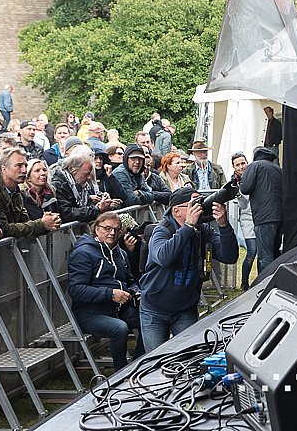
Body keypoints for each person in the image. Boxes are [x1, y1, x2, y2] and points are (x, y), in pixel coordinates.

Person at [139, 187, 238, 350]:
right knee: (155, 359)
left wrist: (223, 224)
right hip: (155, 310)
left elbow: (230, 257)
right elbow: (164, 257)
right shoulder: (162, 231)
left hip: (185, 308)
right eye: (194, 204)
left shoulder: (203, 232)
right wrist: (188, 226)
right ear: (176, 211)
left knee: (187, 357)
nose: (200, 207)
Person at [68, 212, 145, 370]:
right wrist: (110, 294)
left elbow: (130, 280)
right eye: (107, 228)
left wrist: (136, 292)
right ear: (96, 229)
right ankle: (121, 371)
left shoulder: (120, 253)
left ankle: (138, 364)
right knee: (119, 328)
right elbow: (75, 290)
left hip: (118, 309)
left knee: (153, 317)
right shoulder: (83, 253)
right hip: (90, 313)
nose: (112, 233)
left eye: (116, 229)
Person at [0, 147, 61, 238]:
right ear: (4, 169)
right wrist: (42, 224)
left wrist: (49, 221)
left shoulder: (16, 192)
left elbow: (25, 221)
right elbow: (5, 228)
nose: (24, 170)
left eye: (25, 165)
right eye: (19, 166)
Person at [237, 146, 282, 270]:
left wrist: (240, 183)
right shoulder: (278, 169)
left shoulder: (254, 166)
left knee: (265, 256)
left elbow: (245, 188)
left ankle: (264, 281)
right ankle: (276, 279)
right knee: (275, 253)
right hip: (280, 217)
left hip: (264, 217)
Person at [50, 147, 121, 223]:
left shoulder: (78, 184)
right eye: (86, 174)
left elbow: (86, 204)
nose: (90, 177)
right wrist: (97, 209)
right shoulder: (60, 185)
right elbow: (66, 213)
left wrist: (102, 203)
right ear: (73, 170)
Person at [229, 152, 257, 289]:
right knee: (252, 251)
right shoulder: (234, 182)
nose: (241, 166)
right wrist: (239, 194)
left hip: (260, 217)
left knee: (263, 253)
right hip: (247, 219)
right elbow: (243, 205)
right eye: (238, 164)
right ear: (234, 167)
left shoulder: (255, 174)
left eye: (243, 163)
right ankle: (244, 283)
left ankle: (261, 280)